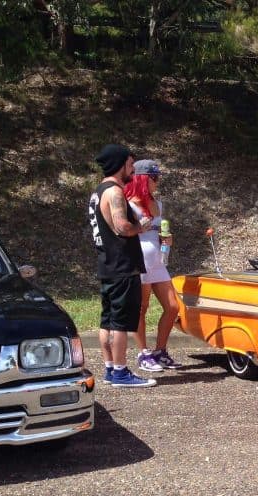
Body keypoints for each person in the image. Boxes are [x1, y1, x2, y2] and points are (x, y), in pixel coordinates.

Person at [88, 143, 156, 387]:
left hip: (107, 264)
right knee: (120, 322)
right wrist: (142, 227)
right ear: (119, 165)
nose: (132, 170)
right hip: (122, 265)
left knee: (107, 320)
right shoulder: (115, 192)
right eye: (129, 164)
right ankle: (120, 372)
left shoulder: (98, 191)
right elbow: (121, 226)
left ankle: (109, 368)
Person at [124, 159, 181, 372]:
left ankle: (160, 351)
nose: (157, 182)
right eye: (153, 178)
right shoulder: (127, 204)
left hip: (158, 262)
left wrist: (166, 240)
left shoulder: (157, 204)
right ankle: (143, 353)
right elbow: (124, 232)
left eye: (157, 178)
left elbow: (157, 233)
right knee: (141, 308)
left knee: (173, 306)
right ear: (141, 178)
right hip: (138, 262)